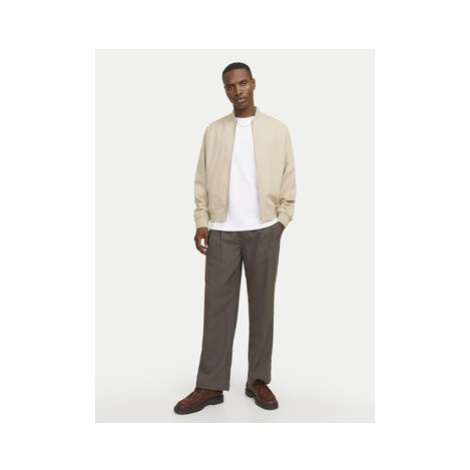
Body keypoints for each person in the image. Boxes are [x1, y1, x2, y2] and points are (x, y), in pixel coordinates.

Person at [174, 62, 296, 415]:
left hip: (264, 229)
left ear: (253, 84)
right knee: (217, 311)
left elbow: (289, 178)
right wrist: (202, 221)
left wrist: (281, 221)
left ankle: (257, 379)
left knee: (262, 308)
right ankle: (210, 384)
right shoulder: (214, 131)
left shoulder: (277, 130)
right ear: (225, 90)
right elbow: (201, 179)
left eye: (243, 83)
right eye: (230, 86)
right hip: (222, 232)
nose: (238, 90)